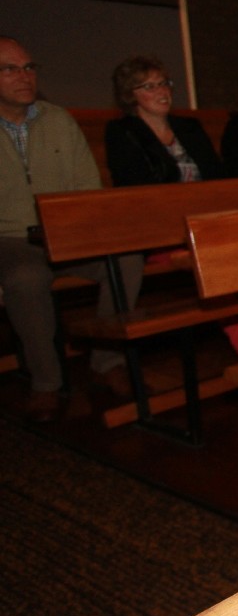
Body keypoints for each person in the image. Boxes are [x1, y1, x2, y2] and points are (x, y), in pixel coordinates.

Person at [0, 36, 142, 420]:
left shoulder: (57, 119)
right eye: (10, 69)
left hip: (64, 231)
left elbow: (87, 187)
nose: (24, 76)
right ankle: (46, 382)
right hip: (9, 238)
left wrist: (82, 230)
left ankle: (107, 361)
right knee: (26, 277)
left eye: (29, 67)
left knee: (126, 258)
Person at [105, 55, 225, 185]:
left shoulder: (190, 127)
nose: (162, 91)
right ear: (130, 94)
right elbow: (135, 182)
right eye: (150, 87)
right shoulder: (123, 132)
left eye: (164, 83)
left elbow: (217, 175)